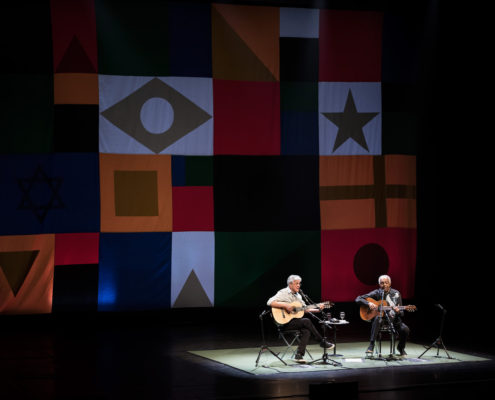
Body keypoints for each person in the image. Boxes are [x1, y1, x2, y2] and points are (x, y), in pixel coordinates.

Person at [267, 274, 334, 363]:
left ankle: (299, 355)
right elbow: (269, 302)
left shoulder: (299, 296)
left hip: (293, 322)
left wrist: (317, 309)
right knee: (306, 321)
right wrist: (285, 305)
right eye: (296, 283)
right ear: (290, 284)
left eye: (299, 283)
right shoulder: (283, 292)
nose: (298, 285)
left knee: (306, 330)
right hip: (283, 323)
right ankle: (321, 341)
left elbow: (304, 309)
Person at [355, 274, 410, 356]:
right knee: (377, 318)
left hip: (394, 320)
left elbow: (401, 313)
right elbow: (358, 299)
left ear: (390, 283)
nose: (384, 285)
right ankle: (371, 345)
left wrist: (398, 311)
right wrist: (368, 303)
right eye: (382, 283)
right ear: (379, 284)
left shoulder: (396, 293)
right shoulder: (377, 292)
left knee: (405, 329)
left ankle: (401, 348)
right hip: (381, 320)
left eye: (386, 283)